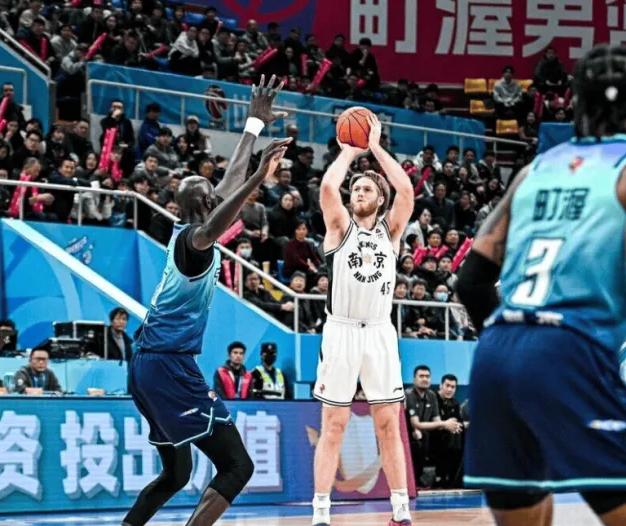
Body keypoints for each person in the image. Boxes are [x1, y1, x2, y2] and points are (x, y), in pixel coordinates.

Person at [454, 45, 626, 526]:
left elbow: (470, 281)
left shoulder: (532, 172)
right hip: (568, 350)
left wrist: (514, 346)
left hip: (495, 353)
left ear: (575, 103)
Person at [123, 75, 290, 526]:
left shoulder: (189, 232)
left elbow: (229, 183)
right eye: (210, 193)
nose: (219, 190)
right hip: (167, 366)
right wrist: (259, 176)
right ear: (202, 204)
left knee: (176, 474)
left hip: (148, 364)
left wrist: (253, 124)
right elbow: (225, 209)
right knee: (238, 466)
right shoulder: (194, 241)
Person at [312, 113, 415, 526]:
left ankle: (401, 511)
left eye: (367, 188)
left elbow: (406, 190)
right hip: (341, 331)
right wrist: (348, 153)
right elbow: (326, 188)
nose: (358, 192)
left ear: (379, 199)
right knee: (333, 424)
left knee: (388, 424)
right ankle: (321, 512)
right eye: (355, 188)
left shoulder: (391, 232)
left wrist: (374, 147)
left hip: (378, 332)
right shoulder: (339, 228)